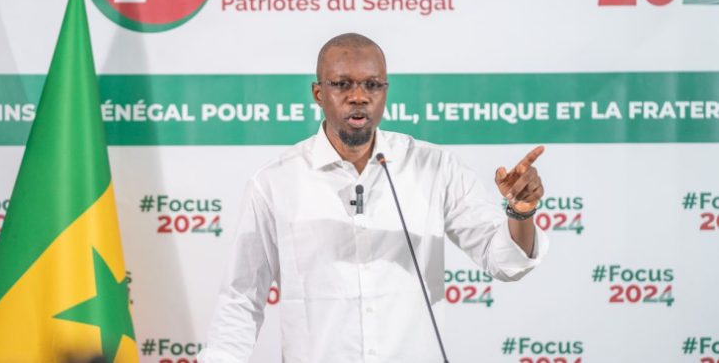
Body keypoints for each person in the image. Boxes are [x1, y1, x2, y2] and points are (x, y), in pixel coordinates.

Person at [199, 33, 549, 363]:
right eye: (342, 84)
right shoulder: (275, 182)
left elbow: (505, 262)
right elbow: (241, 299)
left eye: (372, 85)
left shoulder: (435, 168)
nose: (359, 96)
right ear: (318, 93)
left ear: (385, 91)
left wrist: (520, 214)